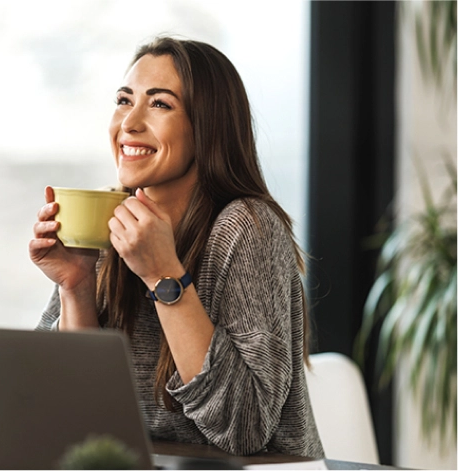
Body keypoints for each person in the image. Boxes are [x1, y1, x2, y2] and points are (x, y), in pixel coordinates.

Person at [30, 36, 324, 459]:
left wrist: (162, 275)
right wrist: (75, 287)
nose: (129, 123)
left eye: (160, 104)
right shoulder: (110, 220)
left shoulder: (247, 227)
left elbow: (244, 429)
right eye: (123, 100)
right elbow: (65, 415)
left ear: (206, 127)